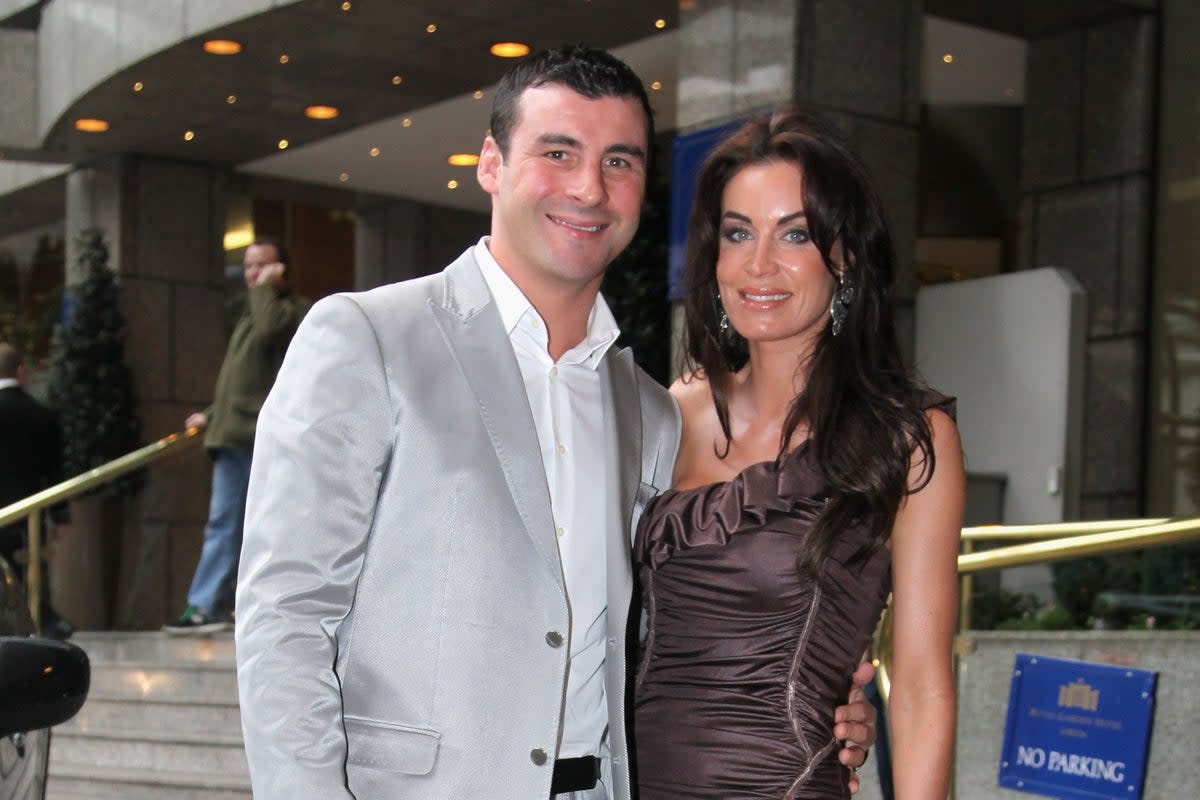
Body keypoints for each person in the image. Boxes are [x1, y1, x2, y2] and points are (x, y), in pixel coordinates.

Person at [234, 48, 874, 800]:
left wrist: (810, 701)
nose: (588, 188)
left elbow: (654, 635)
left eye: (620, 161)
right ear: (491, 164)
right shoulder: (368, 338)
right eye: (558, 152)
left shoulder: (651, 409)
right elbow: (285, 618)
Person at [633, 107, 965, 799]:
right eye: (737, 234)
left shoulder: (908, 437)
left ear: (845, 256)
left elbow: (925, 687)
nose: (759, 264)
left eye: (795, 235)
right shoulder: (672, 409)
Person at [164, 238, 309, 635]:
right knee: (230, 523)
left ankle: (206, 604)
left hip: (256, 436)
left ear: (282, 269)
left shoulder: (288, 312)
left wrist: (266, 290)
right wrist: (211, 415)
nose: (253, 275)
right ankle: (210, 603)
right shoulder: (253, 311)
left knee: (235, 524)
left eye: (262, 266)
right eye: (248, 267)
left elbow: (268, 336)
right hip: (234, 433)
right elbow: (244, 381)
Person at [0, 342, 73, 639]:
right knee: (29, 584)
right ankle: (40, 631)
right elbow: (55, 472)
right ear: (20, 371)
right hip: (27, 517)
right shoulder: (43, 416)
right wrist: (59, 515)